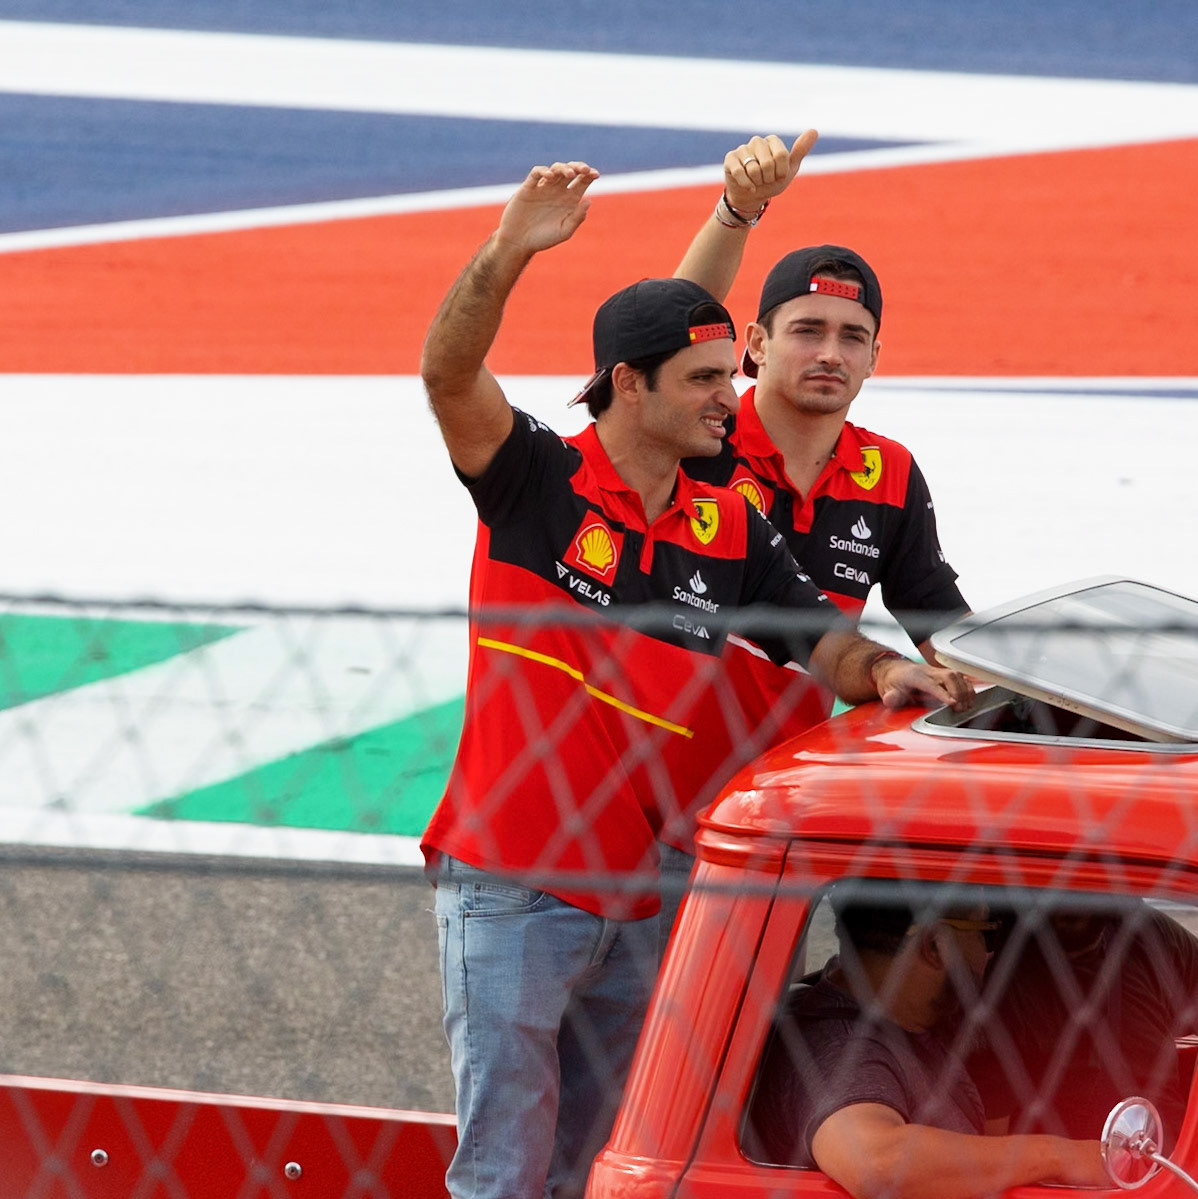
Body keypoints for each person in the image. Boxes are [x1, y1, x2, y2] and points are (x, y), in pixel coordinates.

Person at [418, 158, 975, 1199]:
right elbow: (449, 374)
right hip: (514, 879)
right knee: (502, 1169)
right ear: (630, 383)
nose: (732, 397)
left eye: (729, 374)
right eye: (708, 379)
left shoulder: (729, 526)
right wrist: (506, 252)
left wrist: (889, 668)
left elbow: (824, 641)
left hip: (655, 884)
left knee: (605, 1156)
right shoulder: (535, 480)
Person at [673, 131, 971, 747]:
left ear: (874, 358)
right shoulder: (699, 438)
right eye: (808, 331)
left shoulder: (889, 471)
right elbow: (671, 332)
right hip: (643, 776)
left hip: (779, 784)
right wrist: (737, 211)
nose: (831, 354)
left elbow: (941, 624)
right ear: (756, 344)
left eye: (852, 337)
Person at [746, 891, 1107, 1199]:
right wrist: (1058, 1155)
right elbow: (875, 1164)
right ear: (934, 946)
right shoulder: (839, 1048)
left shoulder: (894, 1011)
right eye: (987, 935)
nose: (989, 956)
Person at [972, 900, 1198, 1142]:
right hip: (1071, 1163)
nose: (1073, 894)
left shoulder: (1147, 933)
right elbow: (996, 1144)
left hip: (1174, 1155)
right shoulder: (998, 975)